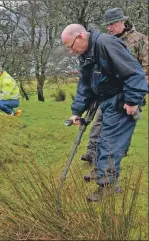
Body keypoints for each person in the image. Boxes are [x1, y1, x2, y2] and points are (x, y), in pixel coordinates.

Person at [61, 24, 147, 201]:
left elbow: (134, 72)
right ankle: (108, 182)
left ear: (80, 37)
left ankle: (106, 186)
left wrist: (132, 100)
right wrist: (77, 111)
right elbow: (85, 85)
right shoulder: (86, 53)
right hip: (107, 100)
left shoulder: (106, 44)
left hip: (121, 101)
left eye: (70, 46)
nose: (71, 51)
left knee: (110, 143)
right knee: (102, 141)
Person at [81, 8, 149, 165]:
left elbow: (146, 70)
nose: (109, 28)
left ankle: (108, 166)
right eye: (107, 25)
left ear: (123, 22)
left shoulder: (140, 40)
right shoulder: (103, 41)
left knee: (119, 133)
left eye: (112, 24)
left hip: (129, 94)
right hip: (108, 93)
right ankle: (92, 154)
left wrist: (136, 97)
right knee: (99, 123)